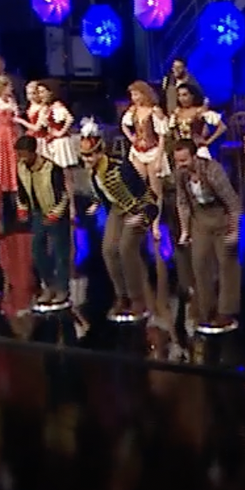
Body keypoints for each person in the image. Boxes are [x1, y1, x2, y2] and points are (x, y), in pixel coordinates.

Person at [82, 120, 155, 322]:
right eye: (84, 156)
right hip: (116, 210)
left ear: (100, 152)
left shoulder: (120, 167)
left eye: (90, 155)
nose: (87, 160)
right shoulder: (93, 173)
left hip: (138, 209)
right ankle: (121, 295)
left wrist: (142, 217)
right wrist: (97, 204)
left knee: (126, 249)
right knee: (108, 250)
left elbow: (145, 195)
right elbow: (104, 193)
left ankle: (137, 299)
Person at [172, 142, 243, 335]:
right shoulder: (180, 175)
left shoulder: (213, 171)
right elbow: (182, 203)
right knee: (200, 262)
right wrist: (185, 231)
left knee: (226, 264)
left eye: (184, 160)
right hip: (200, 219)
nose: (181, 165)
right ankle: (206, 309)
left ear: (195, 156)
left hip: (221, 217)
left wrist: (234, 230)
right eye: (177, 161)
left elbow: (233, 203)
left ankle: (226, 311)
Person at [14, 134, 71, 312]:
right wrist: (22, 208)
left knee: (60, 253)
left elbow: (64, 196)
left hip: (56, 213)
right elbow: (21, 191)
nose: (21, 158)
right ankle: (49, 285)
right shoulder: (20, 167)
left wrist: (55, 215)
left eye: (24, 154)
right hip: (37, 212)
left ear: (33, 152)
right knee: (37, 250)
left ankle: (62, 289)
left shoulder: (52, 168)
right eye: (19, 154)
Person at [23, 80, 82, 205]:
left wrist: (60, 132)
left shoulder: (57, 105)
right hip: (52, 142)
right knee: (56, 175)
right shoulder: (47, 107)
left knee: (66, 175)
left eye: (43, 92)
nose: (41, 95)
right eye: (39, 92)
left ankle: (71, 205)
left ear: (50, 92)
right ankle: (59, 202)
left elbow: (69, 118)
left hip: (61, 143)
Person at [120, 80, 170, 196]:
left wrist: (159, 159)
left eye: (136, 94)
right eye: (132, 95)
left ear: (144, 94)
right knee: (139, 186)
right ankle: (142, 207)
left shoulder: (154, 111)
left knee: (155, 189)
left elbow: (162, 136)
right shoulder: (133, 110)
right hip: (138, 152)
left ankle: (156, 208)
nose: (134, 98)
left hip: (153, 152)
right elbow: (123, 125)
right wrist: (131, 137)